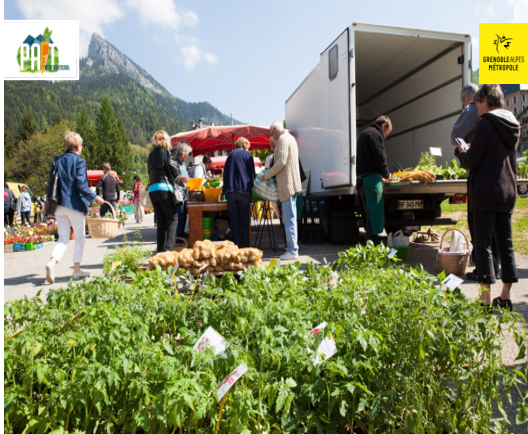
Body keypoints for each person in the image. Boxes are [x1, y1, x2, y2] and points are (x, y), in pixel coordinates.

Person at [455, 84, 520, 311]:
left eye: (478, 104)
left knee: (483, 245)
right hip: (507, 191)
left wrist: (462, 152)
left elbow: (472, 160)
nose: (477, 109)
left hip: (485, 192)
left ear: (485, 101)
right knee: (506, 245)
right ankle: (505, 297)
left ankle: (484, 299)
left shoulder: (485, 123)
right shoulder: (512, 125)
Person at [451, 83, 500, 282]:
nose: (474, 107)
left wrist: (462, 152)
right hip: (499, 183)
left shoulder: (475, 115)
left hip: (480, 180)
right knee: (498, 232)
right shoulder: (506, 121)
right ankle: (495, 269)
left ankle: (484, 272)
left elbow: (456, 136)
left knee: (479, 227)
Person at [45, 130, 105, 284]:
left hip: (58, 205)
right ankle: (76, 269)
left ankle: (52, 262)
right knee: (80, 238)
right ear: (78, 146)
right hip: (74, 205)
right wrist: (94, 197)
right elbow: (81, 185)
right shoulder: (79, 161)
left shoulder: (57, 161)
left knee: (63, 238)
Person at [262, 122, 302, 259]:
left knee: (288, 219)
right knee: (291, 218)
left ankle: (292, 250)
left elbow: (281, 162)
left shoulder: (283, 139)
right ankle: (292, 248)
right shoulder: (290, 138)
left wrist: (267, 176)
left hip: (287, 185)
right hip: (292, 184)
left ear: (275, 130)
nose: (271, 136)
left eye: (271, 133)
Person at [356, 115, 393, 244]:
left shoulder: (363, 134)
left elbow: (366, 162)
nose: (385, 137)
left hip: (362, 180)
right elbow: (379, 158)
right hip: (371, 183)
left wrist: (380, 178)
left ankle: (369, 245)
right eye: (386, 132)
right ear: (383, 126)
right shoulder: (376, 135)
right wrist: (387, 174)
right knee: (374, 215)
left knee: (367, 215)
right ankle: (373, 246)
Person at [148, 130, 182, 252]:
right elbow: (174, 171)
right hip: (164, 189)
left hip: (153, 190)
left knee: (161, 221)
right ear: (166, 140)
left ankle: (160, 252)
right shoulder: (166, 152)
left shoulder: (150, 155)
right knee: (173, 219)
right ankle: (168, 251)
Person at [223, 137, 256, 248]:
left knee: (234, 224)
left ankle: (237, 248)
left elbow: (225, 174)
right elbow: (252, 175)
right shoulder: (247, 155)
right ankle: (246, 249)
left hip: (230, 193)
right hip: (243, 192)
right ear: (245, 145)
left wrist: (225, 192)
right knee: (245, 223)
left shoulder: (230, 155)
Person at [173, 142, 192, 243]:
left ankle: (180, 240)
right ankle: (178, 243)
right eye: (187, 154)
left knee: (183, 219)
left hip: (184, 195)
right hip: (178, 195)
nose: (188, 156)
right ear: (183, 153)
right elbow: (171, 178)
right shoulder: (174, 163)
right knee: (180, 220)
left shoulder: (183, 164)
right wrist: (180, 178)